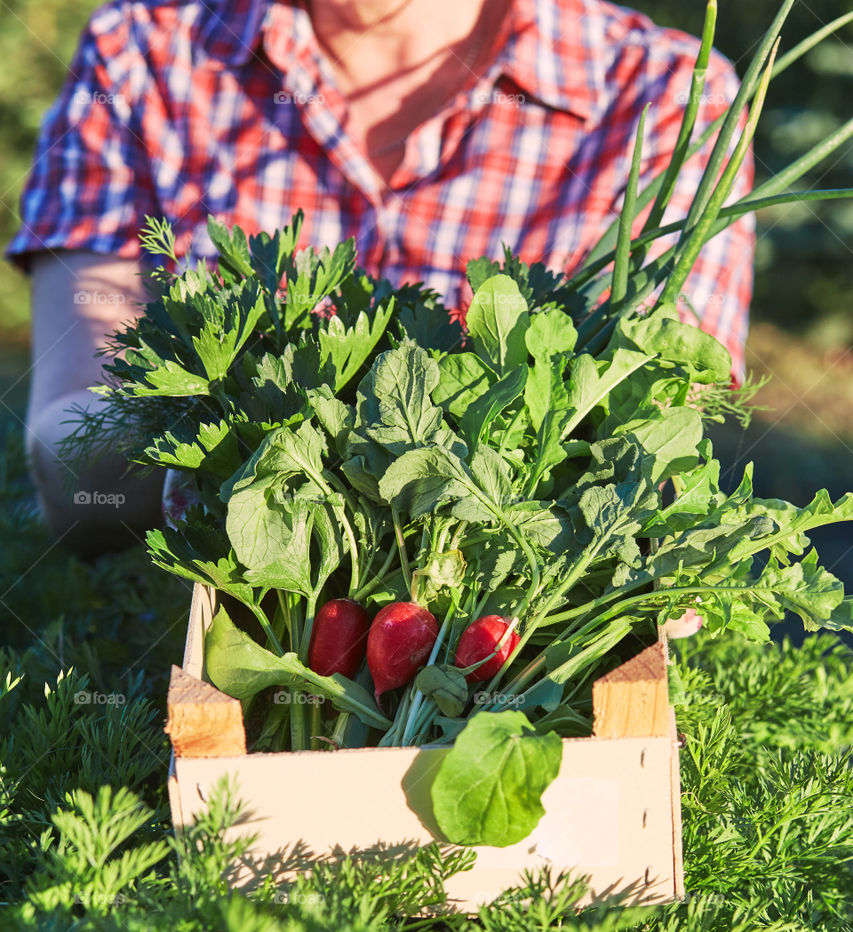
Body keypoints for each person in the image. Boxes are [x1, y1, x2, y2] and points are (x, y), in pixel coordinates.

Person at [7, 0, 754, 558]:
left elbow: (650, 456)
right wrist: (245, 444)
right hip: (203, 623)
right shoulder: (144, 51)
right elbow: (70, 451)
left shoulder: (666, 97)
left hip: (504, 656)